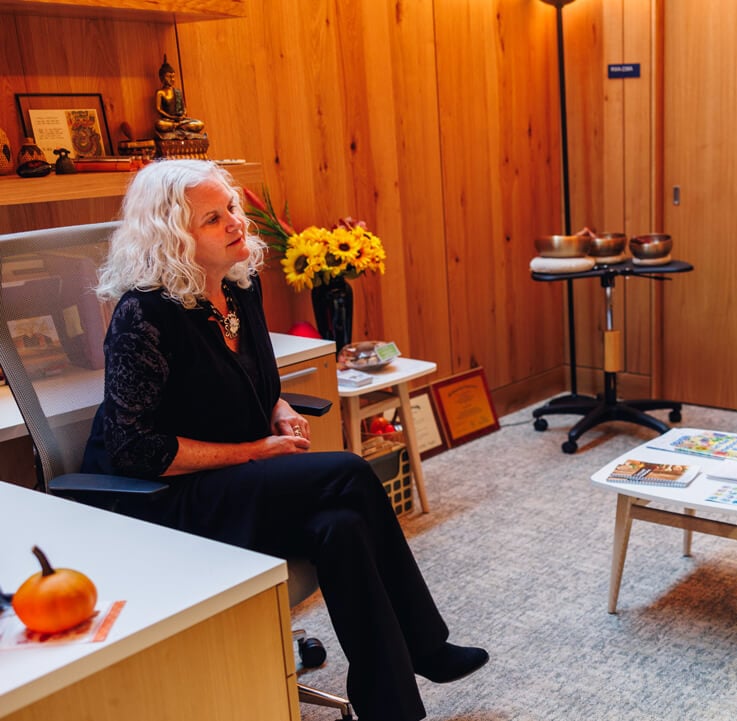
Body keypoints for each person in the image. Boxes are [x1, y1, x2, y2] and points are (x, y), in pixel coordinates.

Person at [83, 159, 487, 721]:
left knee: (341, 526)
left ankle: (392, 708)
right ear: (172, 235)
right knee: (347, 471)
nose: (234, 223)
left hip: (236, 484)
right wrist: (258, 450)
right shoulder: (143, 315)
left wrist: (277, 407)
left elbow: (256, 383)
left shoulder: (238, 290)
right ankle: (426, 645)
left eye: (231, 208)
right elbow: (135, 451)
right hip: (164, 500)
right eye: (212, 217)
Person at [154, 56, 205, 138]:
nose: (172, 79)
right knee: (159, 124)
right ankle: (179, 127)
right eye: (169, 77)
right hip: (168, 120)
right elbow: (158, 109)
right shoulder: (160, 92)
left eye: (173, 76)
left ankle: (179, 127)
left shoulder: (178, 92)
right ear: (161, 77)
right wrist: (171, 117)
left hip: (180, 120)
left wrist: (183, 115)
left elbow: (184, 107)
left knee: (200, 124)